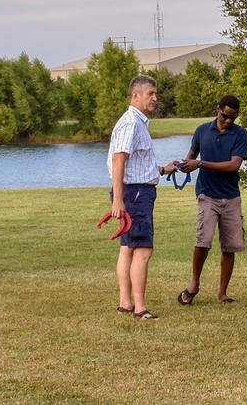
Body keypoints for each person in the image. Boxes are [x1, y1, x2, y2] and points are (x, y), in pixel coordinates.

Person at [108, 74, 180, 321]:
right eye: (150, 93)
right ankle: (140, 309)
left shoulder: (137, 122)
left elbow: (137, 164)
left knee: (128, 248)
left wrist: (162, 169)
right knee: (143, 250)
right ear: (135, 95)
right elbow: (119, 160)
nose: (155, 98)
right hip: (135, 193)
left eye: (155, 93)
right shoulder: (131, 123)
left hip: (135, 189)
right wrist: (118, 200)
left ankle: (125, 303)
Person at [177, 95, 247, 304]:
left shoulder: (241, 134)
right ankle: (194, 285)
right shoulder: (201, 131)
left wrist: (201, 164)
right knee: (204, 241)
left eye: (233, 118)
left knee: (230, 246)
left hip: (231, 197)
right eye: (225, 116)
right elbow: (191, 157)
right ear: (217, 109)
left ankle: (223, 293)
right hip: (207, 194)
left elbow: (233, 166)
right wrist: (183, 164)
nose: (228, 121)